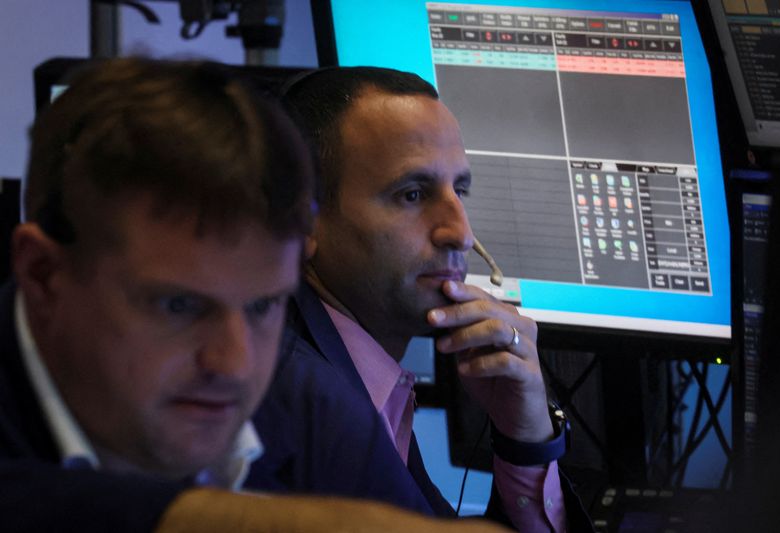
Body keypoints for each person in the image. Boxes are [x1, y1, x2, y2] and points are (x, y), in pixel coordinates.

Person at [0, 57, 509, 533]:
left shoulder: (305, 403)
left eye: (265, 306)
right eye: (179, 306)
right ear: (44, 275)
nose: (235, 363)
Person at [259, 66, 593, 532]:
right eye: (411, 194)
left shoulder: (357, 377)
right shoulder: (306, 407)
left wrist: (526, 438)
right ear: (304, 219)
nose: (460, 233)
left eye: (459, 190)